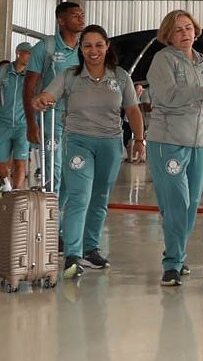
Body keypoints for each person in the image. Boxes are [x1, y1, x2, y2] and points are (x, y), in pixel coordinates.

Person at [32, 25, 145, 279]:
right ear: (81, 50)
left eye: (98, 45)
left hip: (110, 144)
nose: (93, 51)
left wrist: (139, 139)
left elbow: (133, 110)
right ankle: (72, 254)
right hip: (78, 142)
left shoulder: (120, 77)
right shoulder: (70, 76)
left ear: (107, 47)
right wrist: (40, 100)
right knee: (78, 196)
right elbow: (48, 95)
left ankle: (90, 248)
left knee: (99, 197)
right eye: (87, 46)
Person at [145, 10, 203, 286]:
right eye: (178, 30)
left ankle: (178, 255)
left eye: (188, 28)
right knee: (176, 205)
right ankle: (172, 264)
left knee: (192, 204)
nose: (185, 34)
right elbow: (167, 96)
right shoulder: (163, 60)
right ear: (168, 36)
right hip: (168, 141)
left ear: (196, 30)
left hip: (200, 143)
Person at [24, 1, 85, 195]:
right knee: (54, 170)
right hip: (52, 119)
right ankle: (51, 219)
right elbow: (29, 87)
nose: (81, 19)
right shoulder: (46, 48)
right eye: (75, 15)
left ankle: (64, 216)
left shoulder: (86, 49)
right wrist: (31, 123)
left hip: (79, 119)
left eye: (82, 15)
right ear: (61, 20)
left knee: (74, 170)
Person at [0, 43, 32, 191]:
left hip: (23, 125)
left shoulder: (32, 74)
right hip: (3, 124)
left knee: (21, 162)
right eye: (28, 54)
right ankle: (6, 188)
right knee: (2, 163)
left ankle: (17, 194)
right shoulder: (4, 71)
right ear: (18, 53)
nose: (30, 57)